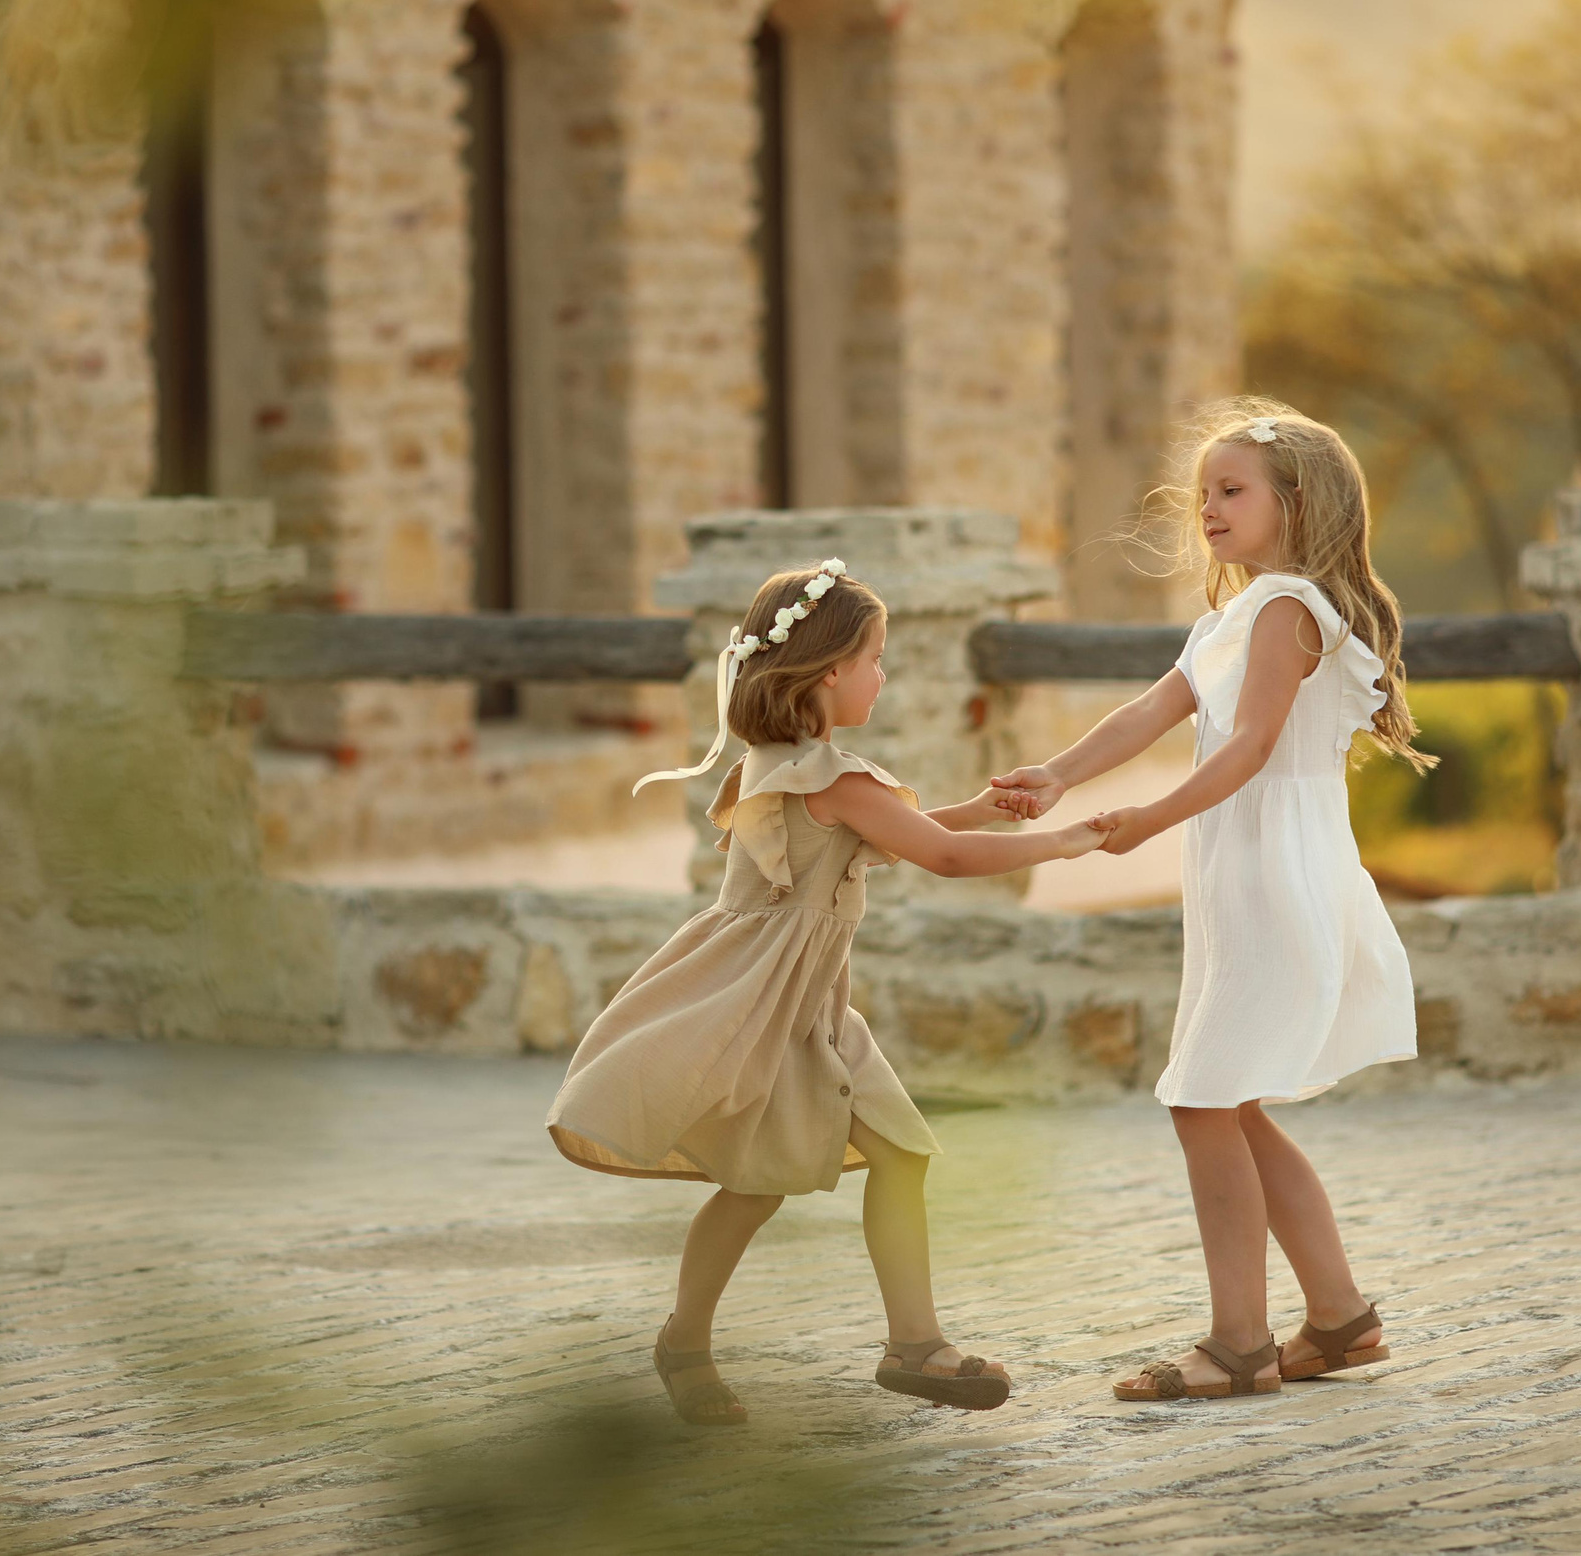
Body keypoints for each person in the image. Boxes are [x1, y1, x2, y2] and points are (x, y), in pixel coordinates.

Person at [547, 558, 1106, 1425]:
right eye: (876, 658)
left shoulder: (805, 766)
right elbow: (940, 856)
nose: (884, 676)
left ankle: (913, 1344)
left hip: (813, 1009)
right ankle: (684, 1340)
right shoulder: (826, 776)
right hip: (760, 1004)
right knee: (755, 1183)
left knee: (899, 1154)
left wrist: (996, 807)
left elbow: (917, 829)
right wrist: (1063, 843)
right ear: (828, 670)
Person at [991, 396, 1431, 1400]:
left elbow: (1250, 748)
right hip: (1242, 877)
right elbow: (1152, 708)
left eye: (1231, 491)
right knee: (1224, 1101)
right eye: (1204, 494)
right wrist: (1059, 775)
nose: (1209, 508)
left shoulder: (1287, 612)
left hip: (1277, 875)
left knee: (1201, 1100)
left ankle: (1239, 1342)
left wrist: (1146, 818)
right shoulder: (1230, 617)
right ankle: (1340, 1319)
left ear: (1294, 501)